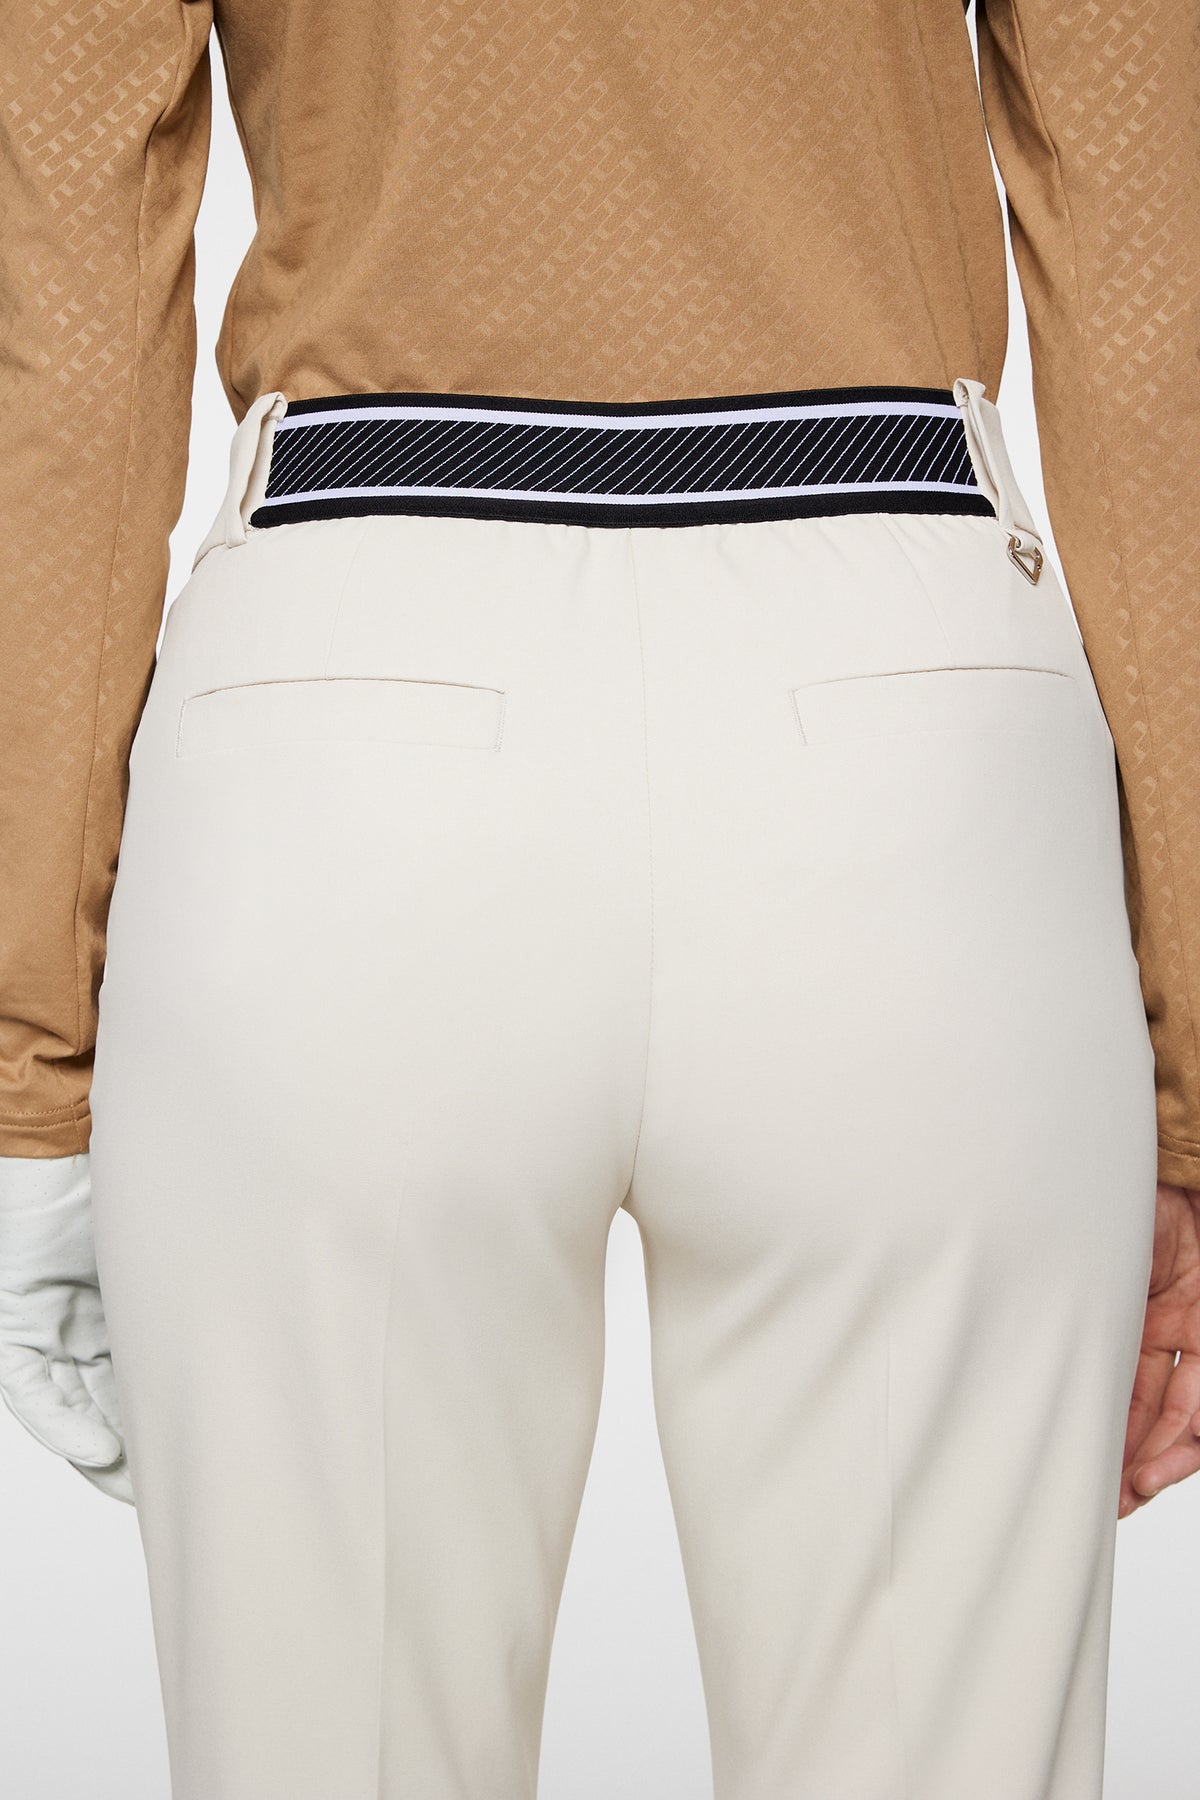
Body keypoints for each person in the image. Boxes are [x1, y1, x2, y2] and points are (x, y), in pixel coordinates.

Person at [1, 2, 1197, 1795]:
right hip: (903, 714)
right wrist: (1191, 1072)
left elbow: (65, 315)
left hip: (351, 706)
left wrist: (29, 1070)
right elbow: (1155, 288)